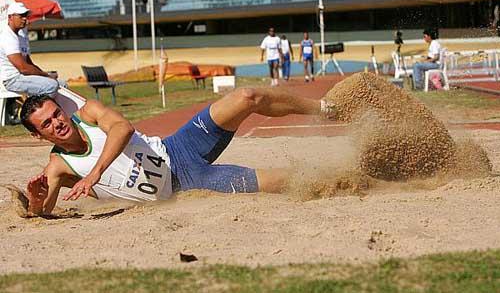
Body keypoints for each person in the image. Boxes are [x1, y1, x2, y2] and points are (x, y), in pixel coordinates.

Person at [21, 89, 337, 216]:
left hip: (179, 146)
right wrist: (35, 202)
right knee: (289, 180)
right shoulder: (58, 167)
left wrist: (95, 173)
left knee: (247, 96)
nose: (57, 123)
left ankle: (325, 108)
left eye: (56, 114)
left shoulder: (88, 113)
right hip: (189, 184)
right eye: (46, 124)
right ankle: (351, 177)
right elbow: (43, 214)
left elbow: (123, 129)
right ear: (38, 135)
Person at [0, 2, 63, 97]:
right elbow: (23, 68)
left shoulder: (20, 37)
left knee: (62, 84)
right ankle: (38, 111)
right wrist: (46, 76)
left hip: (22, 77)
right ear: (10, 17)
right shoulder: (8, 37)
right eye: (21, 16)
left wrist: (45, 74)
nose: (24, 19)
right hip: (13, 80)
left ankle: (60, 111)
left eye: (25, 16)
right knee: (51, 85)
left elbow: (29, 64)